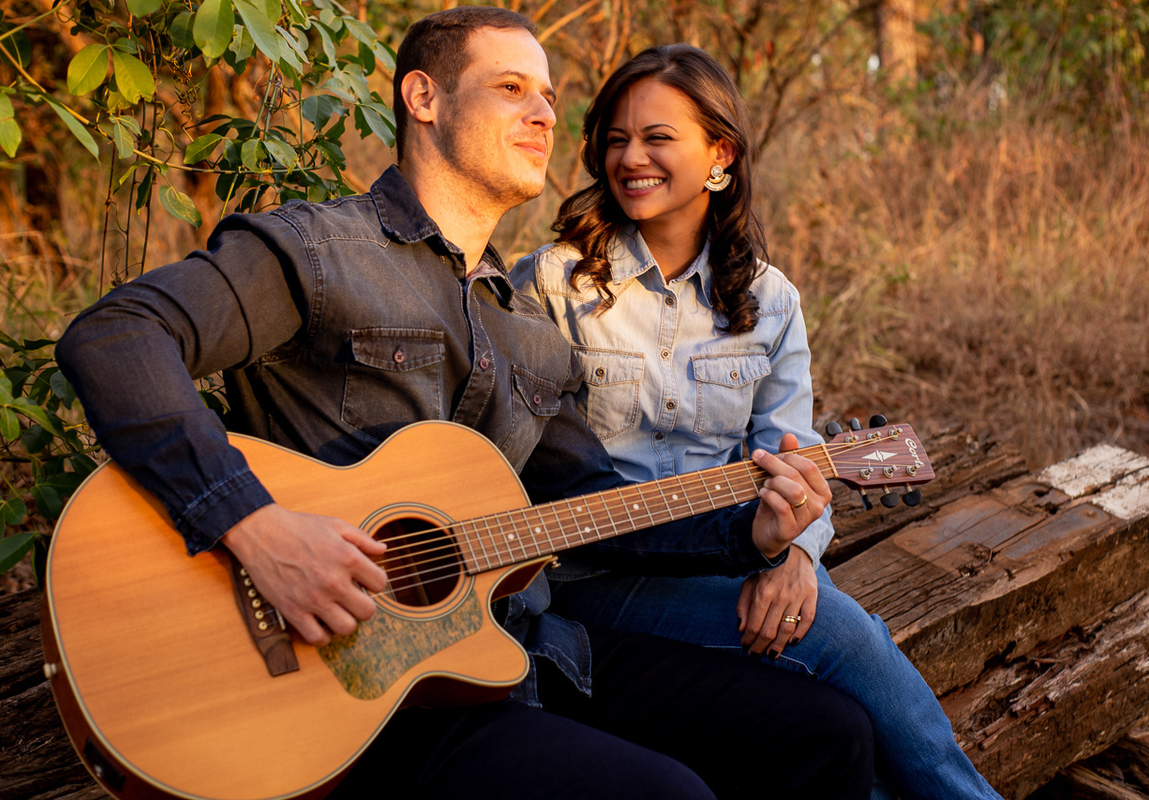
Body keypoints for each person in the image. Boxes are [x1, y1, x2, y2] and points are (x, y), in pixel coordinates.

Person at [55, 8, 875, 798]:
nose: (545, 113)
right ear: (424, 99)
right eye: (512, 88)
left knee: (823, 735)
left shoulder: (527, 332)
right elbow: (118, 337)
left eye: (550, 96)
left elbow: (596, 506)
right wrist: (257, 528)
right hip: (353, 689)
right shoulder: (320, 251)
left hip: (514, 656)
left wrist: (751, 530)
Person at [511, 44, 1003, 800]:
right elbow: (536, 472)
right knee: (839, 635)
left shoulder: (771, 303)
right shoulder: (555, 283)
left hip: (726, 558)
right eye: (615, 138)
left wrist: (797, 558)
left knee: (844, 732)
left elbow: (791, 452)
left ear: (720, 155)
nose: (630, 157)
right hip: (593, 575)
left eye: (657, 138)